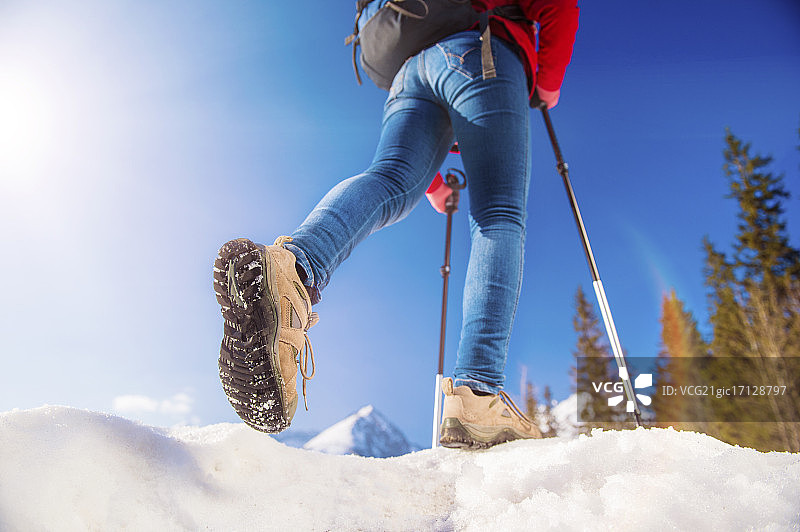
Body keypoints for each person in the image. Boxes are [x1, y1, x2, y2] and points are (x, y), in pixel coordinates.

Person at [213, 0, 579, 449]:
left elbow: (409, 168)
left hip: (410, 73)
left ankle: (293, 266)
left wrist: (434, 186)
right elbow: (559, 5)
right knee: (499, 215)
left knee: (388, 178)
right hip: (483, 50)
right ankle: (477, 394)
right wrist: (546, 83)